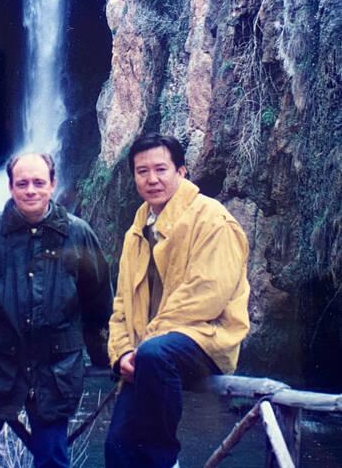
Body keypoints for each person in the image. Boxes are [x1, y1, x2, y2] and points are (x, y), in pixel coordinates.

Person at [0, 152, 113, 468]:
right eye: (22, 183)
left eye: (39, 182)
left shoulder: (78, 234)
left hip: (54, 371)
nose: (31, 190)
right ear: (10, 187)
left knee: (51, 458)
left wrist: (105, 358)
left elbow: (99, 302)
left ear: (53, 184)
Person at [105, 133, 250, 468]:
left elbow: (208, 295)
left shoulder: (213, 219)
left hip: (205, 340)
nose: (152, 179)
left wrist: (145, 344)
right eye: (142, 171)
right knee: (117, 449)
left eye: (161, 169)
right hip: (149, 354)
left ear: (182, 172)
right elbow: (122, 304)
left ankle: (165, 461)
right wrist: (122, 353)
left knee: (156, 356)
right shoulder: (137, 230)